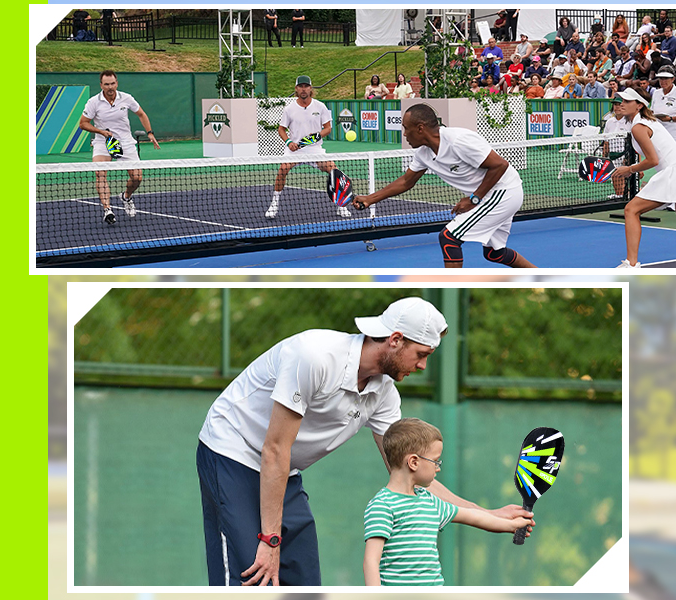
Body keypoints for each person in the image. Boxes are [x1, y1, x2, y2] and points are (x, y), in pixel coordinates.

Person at [197, 297, 534, 586]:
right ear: (396, 340)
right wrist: (270, 539)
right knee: (251, 575)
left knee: (301, 576)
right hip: (233, 450)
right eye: (421, 353)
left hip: (284, 469)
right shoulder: (314, 356)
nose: (423, 365)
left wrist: (488, 514)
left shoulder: (384, 393)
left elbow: (411, 473)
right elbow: (274, 448)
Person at [352, 103, 539, 268]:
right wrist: (370, 199)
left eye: (406, 128)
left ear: (420, 128)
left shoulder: (458, 140)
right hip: (491, 195)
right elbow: (406, 181)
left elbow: (500, 165)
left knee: (449, 238)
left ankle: (451, 297)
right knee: (494, 253)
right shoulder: (423, 153)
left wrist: (474, 198)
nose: (404, 134)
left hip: (503, 191)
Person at [363, 418, 535, 586]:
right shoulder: (382, 506)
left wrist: (510, 525)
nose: (438, 467)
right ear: (413, 462)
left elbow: (473, 516)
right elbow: (371, 561)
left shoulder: (430, 501)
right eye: (435, 461)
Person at [608, 88, 676, 268]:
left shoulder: (638, 127)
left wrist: (629, 169)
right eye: (620, 101)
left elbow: (653, 160)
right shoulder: (645, 121)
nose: (621, 104)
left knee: (631, 210)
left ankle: (631, 263)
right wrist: (637, 167)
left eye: (626, 101)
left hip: (675, 173)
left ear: (639, 106)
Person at [78, 70, 161, 225]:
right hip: (104, 142)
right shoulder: (93, 102)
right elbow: (83, 123)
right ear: (101, 85)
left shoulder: (126, 98)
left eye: (113, 83)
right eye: (107, 84)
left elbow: (141, 114)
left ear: (117, 83)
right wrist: (101, 132)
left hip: (125, 142)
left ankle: (126, 196)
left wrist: (150, 133)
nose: (110, 87)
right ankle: (107, 210)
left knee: (137, 178)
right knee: (100, 173)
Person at [268, 75, 345, 219]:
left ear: (311, 88)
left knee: (334, 170)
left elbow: (328, 128)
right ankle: (274, 204)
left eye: (306, 86)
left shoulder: (320, 106)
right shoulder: (289, 109)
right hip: (295, 149)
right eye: (301, 87)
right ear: (296, 89)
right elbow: (281, 129)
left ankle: (340, 206)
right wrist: (289, 143)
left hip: (314, 149)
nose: (303, 89)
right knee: (282, 170)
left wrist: (315, 137)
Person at [650, 70, 676, 154]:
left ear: (672, 79)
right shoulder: (656, 93)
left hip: (675, 137)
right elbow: (652, 111)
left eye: (666, 78)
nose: (663, 81)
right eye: (661, 78)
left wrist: (670, 119)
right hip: (659, 136)